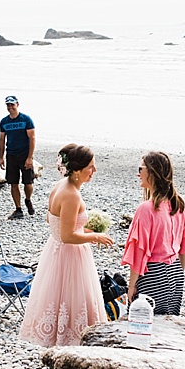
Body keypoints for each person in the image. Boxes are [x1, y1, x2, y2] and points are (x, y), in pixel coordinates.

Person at [19, 143, 113, 347]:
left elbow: (50, 220)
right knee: (72, 298)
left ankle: (59, 337)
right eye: (91, 167)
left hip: (55, 251)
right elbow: (68, 236)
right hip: (70, 255)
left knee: (59, 298)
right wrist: (94, 236)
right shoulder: (72, 194)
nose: (94, 171)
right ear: (77, 170)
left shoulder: (59, 185)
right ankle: (69, 340)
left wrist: (84, 229)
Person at [120, 151, 185, 315]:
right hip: (175, 274)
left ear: (152, 172)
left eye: (141, 169)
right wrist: (178, 273)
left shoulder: (146, 208)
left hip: (153, 275)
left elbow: (139, 252)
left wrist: (132, 285)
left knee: (142, 324)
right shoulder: (178, 205)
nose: (138, 173)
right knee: (168, 329)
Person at [0, 95, 36, 219]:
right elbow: (2, 140)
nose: (10, 107)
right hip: (11, 155)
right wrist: (1, 157)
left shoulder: (26, 119)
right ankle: (18, 209)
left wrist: (30, 157)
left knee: (28, 183)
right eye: (8, 105)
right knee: (13, 183)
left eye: (12, 104)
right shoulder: (4, 122)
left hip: (24, 154)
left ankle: (28, 200)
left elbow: (32, 138)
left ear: (17, 104)